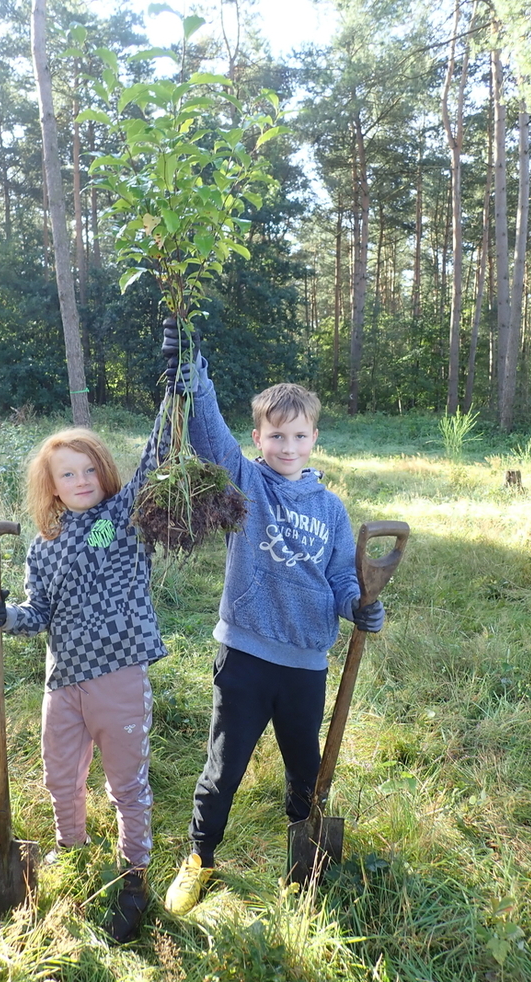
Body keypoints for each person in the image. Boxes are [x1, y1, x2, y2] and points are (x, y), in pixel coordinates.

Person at [161, 326, 385, 915]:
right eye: (275, 435)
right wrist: (196, 376)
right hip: (246, 657)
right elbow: (210, 442)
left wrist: (358, 604)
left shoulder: (332, 510)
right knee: (223, 766)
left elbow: (341, 579)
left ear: (315, 438)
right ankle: (200, 859)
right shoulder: (247, 483)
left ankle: (302, 862)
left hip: (305, 665)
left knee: (304, 770)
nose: (287, 446)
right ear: (258, 438)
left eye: (299, 435)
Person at [0, 413, 170, 943]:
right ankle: (72, 850)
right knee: (61, 777)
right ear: (51, 486)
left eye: (90, 470)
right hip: (62, 683)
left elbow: (155, 463)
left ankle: (134, 879)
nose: (81, 480)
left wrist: (177, 386)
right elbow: (38, 612)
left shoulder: (116, 521)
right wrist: (3, 614)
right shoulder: (44, 545)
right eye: (68, 474)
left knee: (126, 786)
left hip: (117, 679)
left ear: (104, 473)